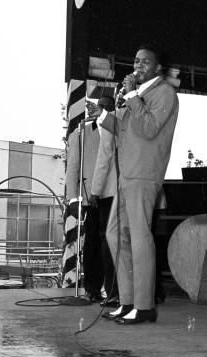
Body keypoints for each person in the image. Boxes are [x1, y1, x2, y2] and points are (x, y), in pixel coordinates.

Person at [96, 44, 179, 324]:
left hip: (144, 173)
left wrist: (131, 96)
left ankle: (144, 306)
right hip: (126, 174)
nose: (138, 66)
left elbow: (148, 128)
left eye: (145, 62)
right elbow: (125, 130)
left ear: (158, 68)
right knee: (114, 234)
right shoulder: (139, 95)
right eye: (136, 61)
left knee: (140, 236)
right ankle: (128, 300)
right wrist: (104, 116)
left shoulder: (164, 93)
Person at [64, 88, 105, 302]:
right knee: (93, 245)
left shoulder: (118, 132)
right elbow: (73, 169)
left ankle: (116, 292)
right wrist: (73, 198)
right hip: (93, 197)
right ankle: (93, 288)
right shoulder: (80, 133)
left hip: (116, 195)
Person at [86, 95, 120, 307]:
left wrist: (95, 191)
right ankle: (116, 291)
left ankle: (114, 292)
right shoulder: (128, 123)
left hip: (109, 193)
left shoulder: (111, 124)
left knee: (109, 243)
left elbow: (104, 159)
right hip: (126, 190)